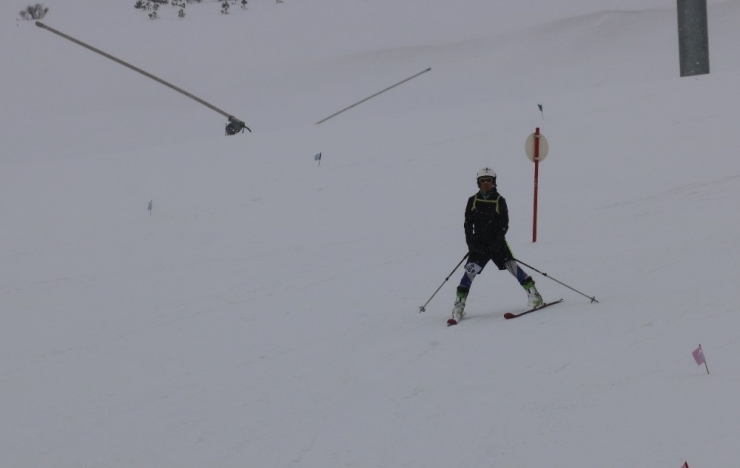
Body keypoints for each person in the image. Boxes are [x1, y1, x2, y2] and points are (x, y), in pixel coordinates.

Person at [451, 167, 543, 322]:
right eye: (483, 181)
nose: (486, 183)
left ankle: (534, 295)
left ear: (494, 182)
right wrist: (470, 243)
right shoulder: (472, 201)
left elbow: (504, 224)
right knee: (469, 273)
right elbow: (468, 224)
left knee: (512, 267)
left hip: (497, 244)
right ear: (478, 183)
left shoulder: (500, 200)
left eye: (489, 180)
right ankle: (459, 306)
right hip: (479, 246)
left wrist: (497, 241)